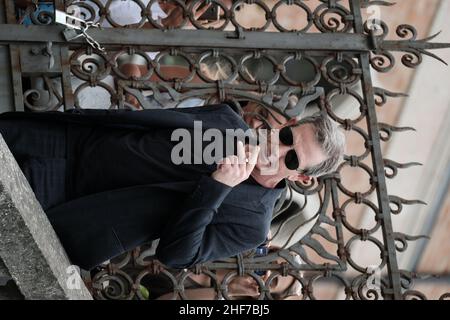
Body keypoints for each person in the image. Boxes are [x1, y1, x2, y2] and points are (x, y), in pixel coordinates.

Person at [0, 98, 344, 271]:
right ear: (289, 123)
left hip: (67, 198)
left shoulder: (251, 223)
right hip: (66, 139)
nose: (277, 149)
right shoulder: (229, 120)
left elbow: (178, 254)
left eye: (293, 159)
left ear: (302, 177)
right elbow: (156, 124)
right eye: (286, 137)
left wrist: (217, 187)